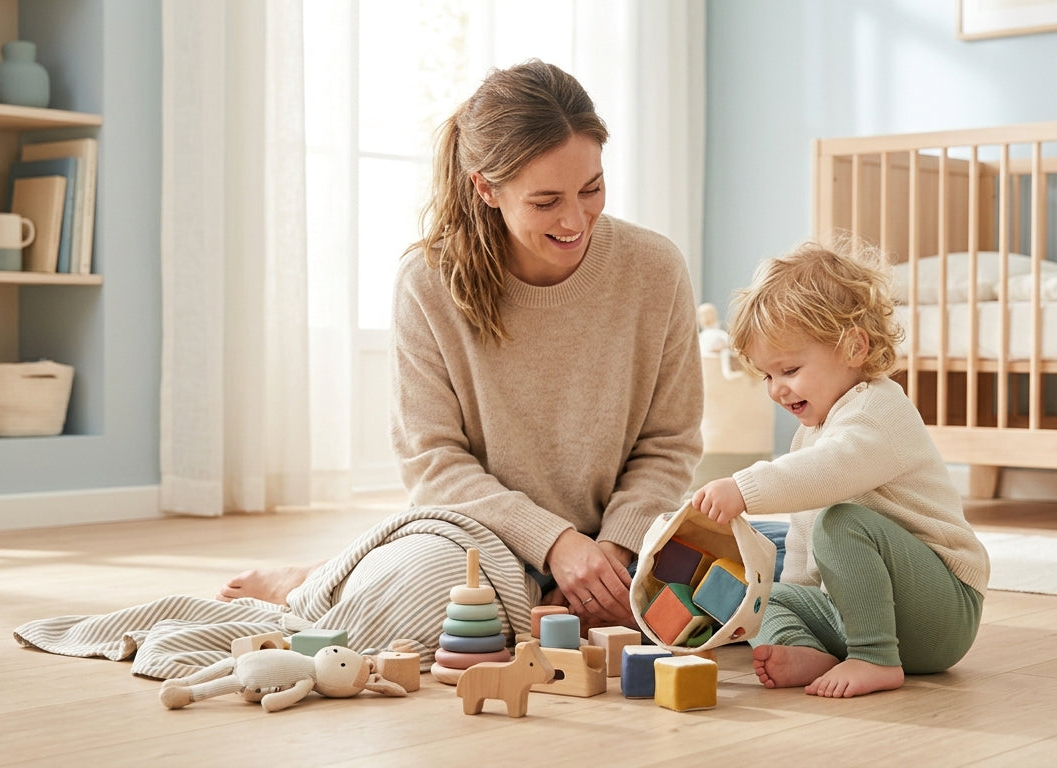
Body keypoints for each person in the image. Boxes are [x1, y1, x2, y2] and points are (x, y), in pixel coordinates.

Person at [220, 60, 703, 639]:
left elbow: (669, 443)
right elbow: (434, 463)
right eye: (546, 200)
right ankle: (321, 580)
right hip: (484, 537)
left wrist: (615, 556)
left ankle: (358, 573)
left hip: (621, 540)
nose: (576, 219)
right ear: (486, 187)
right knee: (419, 612)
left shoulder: (655, 268)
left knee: (763, 583)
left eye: (592, 188)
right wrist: (554, 546)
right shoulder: (427, 281)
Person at [690, 240, 989, 698]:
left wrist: (744, 488)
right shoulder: (813, 431)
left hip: (941, 610)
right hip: (855, 609)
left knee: (841, 521)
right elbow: (803, 541)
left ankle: (875, 658)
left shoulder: (878, 410)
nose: (776, 390)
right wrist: (787, 607)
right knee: (759, 595)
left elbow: (823, 473)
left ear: (853, 347)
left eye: (789, 369)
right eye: (768, 376)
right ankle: (810, 652)